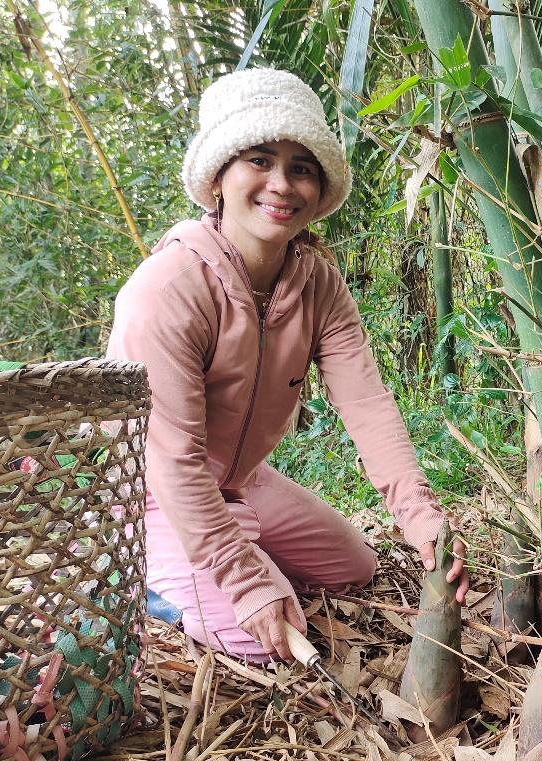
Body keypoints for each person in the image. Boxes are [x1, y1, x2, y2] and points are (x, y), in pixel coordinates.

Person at [106, 68, 467, 663]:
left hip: (239, 480)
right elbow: (170, 458)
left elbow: (368, 405)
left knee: (355, 568)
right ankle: (145, 577)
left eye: (301, 167)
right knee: (265, 639)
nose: (282, 184)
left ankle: (228, 546)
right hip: (154, 492)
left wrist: (423, 519)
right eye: (260, 160)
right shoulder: (171, 287)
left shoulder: (317, 283)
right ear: (219, 177)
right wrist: (247, 582)